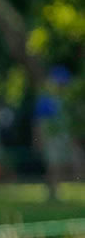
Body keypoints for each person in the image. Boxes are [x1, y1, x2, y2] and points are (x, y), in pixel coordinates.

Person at [33, 66, 75, 201]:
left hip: (62, 137)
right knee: (53, 165)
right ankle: (51, 191)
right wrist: (39, 139)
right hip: (50, 137)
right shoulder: (46, 99)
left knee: (60, 164)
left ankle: (55, 190)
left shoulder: (66, 101)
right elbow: (39, 122)